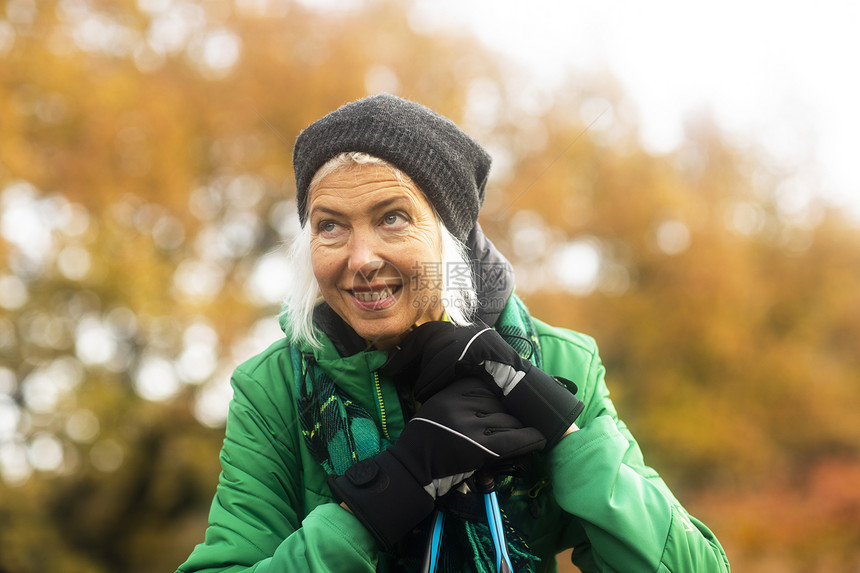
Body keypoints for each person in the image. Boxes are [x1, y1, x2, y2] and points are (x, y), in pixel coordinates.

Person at [177, 94, 730, 572]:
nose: (361, 258)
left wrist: (564, 433)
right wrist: (382, 497)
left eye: (392, 217)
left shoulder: (563, 360)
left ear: (451, 238)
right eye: (330, 226)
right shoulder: (274, 388)